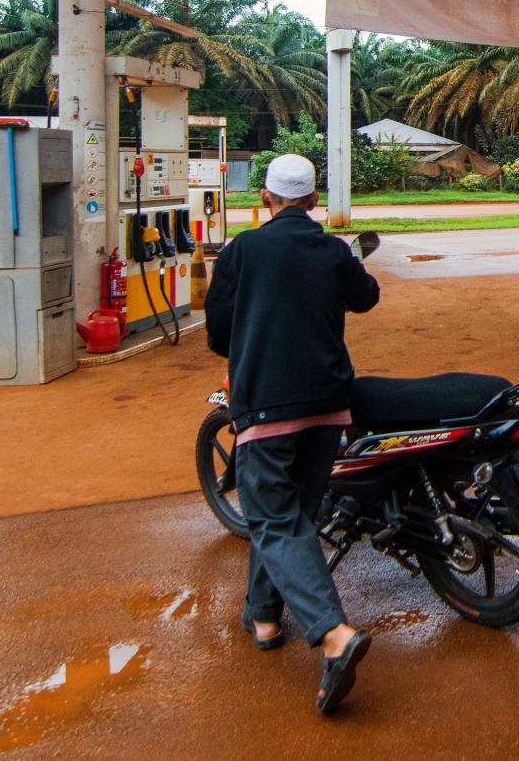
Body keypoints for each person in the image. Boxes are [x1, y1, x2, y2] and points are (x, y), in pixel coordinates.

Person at [205, 153, 380, 715]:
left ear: (265, 199)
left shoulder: (242, 252)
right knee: (290, 519)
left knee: (275, 520)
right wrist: (343, 257)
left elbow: (217, 334)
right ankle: (262, 618)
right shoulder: (331, 250)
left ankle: (333, 634)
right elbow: (367, 296)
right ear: (311, 201)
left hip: (266, 409)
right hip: (329, 409)